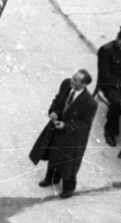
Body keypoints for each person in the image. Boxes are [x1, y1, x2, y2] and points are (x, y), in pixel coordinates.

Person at [28, 69, 98, 197]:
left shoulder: (90, 103)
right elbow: (57, 99)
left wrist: (66, 125)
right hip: (56, 128)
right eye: (73, 77)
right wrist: (53, 110)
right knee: (53, 152)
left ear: (83, 85)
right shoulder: (66, 84)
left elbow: (85, 125)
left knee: (68, 163)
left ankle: (68, 188)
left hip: (72, 136)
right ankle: (51, 179)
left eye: (76, 80)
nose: (72, 80)